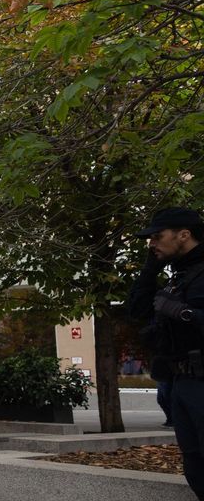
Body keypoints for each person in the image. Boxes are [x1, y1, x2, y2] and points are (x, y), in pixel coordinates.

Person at [128, 207, 204, 498]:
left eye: (157, 237)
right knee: (195, 465)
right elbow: (137, 310)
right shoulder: (179, 274)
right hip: (182, 383)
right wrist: (150, 268)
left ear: (183, 235)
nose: (151, 243)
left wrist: (184, 313)